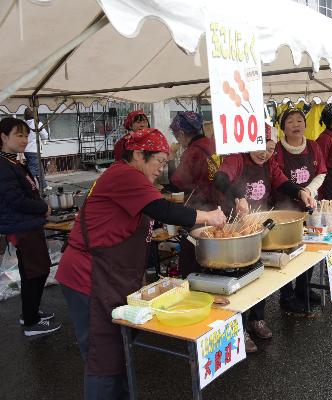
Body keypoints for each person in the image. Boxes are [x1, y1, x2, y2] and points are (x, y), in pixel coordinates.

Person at [55, 128, 226, 400]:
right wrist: (209, 217)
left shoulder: (130, 178)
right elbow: (163, 210)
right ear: (137, 155)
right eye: (159, 161)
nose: (162, 168)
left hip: (108, 276)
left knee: (117, 351)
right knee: (103, 357)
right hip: (88, 276)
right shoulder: (125, 175)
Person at [214, 126, 316, 353]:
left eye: (270, 149)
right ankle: (238, 328)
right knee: (240, 277)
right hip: (236, 227)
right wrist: (238, 196)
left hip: (260, 224)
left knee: (260, 273)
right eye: (260, 148)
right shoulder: (236, 158)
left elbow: (281, 181)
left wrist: (300, 192)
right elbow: (220, 179)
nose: (265, 154)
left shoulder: (269, 163)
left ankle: (256, 319)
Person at [0, 117, 61, 336]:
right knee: (37, 271)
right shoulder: (4, 166)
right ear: (4, 137)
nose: (25, 140)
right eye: (19, 135)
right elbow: (15, 200)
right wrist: (41, 208)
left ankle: (30, 313)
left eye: (26, 135)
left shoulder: (15, 162)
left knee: (33, 271)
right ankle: (31, 322)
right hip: (22, 226)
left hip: (27, 224)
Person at [273, 108, 327, 314]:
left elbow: (321, 173)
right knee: (286, 251)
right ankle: (286, 295)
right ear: (282, 127)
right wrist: (299, 192)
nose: (296, 125)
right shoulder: (276, 150)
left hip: (309, 205)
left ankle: (304, 287)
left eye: (299, 121)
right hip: (284, 209)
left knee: (308, 249)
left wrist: (308, 191)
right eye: (290, 122)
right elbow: (276, 179)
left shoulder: (313, 146)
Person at [167, 111, 221, 278]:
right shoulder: (213, 144)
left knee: (194, 258)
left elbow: (176, 184)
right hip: (220, 209)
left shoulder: (192, 152)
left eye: (177, 136)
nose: (178, 140)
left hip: (201, 211)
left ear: (181, 134)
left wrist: (170, 158)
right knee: (217, 257)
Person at [23, 108, 49, 191]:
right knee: (32, 170)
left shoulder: (24, 123)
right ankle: (27, 185)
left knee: (39, 168)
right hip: (34, 149)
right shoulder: (36, 123)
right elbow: (45, 135)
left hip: (26, 150)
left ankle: (43, 185)